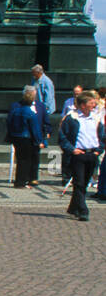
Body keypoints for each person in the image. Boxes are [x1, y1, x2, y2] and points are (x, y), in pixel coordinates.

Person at [59, 92, 104, 221]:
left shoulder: (95, 118)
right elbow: (62, 137)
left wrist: (98, 151)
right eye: (91, 103)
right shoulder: (71, 118)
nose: (94, 105)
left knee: (84, 183)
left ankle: (73, 207)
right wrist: (72, 150)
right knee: (78, 183)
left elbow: (102, 136)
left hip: (92, 154)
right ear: (83, 105)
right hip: (78, 155)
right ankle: (83, 210)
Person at [7, 86, 44, 189]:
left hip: (16, 137)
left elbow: (9, 122)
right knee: (26, 161)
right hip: (27, 139)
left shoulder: (15, 111)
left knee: (20, 160)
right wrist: (39, 141)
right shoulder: (31, 114)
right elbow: (35, 129)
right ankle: (22, 182)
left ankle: (19, 181)